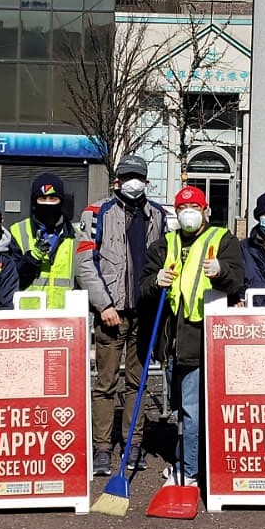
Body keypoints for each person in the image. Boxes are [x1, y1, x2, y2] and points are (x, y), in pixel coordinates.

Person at [140, 186, 245, 485]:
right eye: (183, 208)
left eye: (195, 207)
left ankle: (188, 470)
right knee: (181, 407)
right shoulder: (164, 245)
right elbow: (144, 286)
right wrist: (154, 281)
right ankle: (187, 459)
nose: (189, 213)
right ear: (175, 212)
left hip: (203, 338)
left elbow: (237, 280)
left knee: (191, 408)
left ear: (205, 210)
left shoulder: (222, 240)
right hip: (173, 339)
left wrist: (221, 271)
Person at [76, 154, 168, 476]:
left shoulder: (157, 215)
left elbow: (162, 261)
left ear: (146, 181)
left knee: (138, 382)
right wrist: (104, 305)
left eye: (138, 177)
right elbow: (85, 264)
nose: (133, 183)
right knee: (104, 382)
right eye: (127, 176)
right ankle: (102, 447)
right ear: (117, 181)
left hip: (144, 311)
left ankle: (133, 443)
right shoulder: (96, 212)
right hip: (111, 313)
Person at [11, 173, 81, 308]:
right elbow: (12, 279)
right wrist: (31, 258)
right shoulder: (17, 231)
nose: (48, 203)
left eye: (53, 198)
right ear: (34, 201)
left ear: (61, 201)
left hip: (65, 317)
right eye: (42, 198)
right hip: (29, 316)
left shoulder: (76, 236)